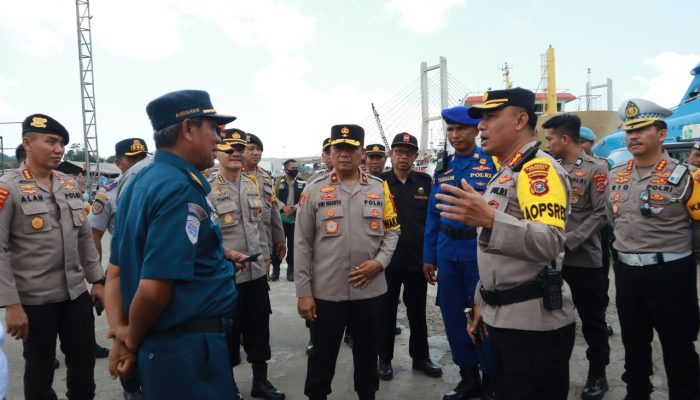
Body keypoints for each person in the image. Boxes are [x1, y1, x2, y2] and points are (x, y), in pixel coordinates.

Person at [435, 88, 575, 399]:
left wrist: (490, 220)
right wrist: (482, 299)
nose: (482, 126)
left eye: (491, 116)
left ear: (521, 120)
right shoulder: (507, 171)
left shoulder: (537, 169)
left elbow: (551, 241)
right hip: (503, 316)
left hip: (532, 326)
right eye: (481, 119)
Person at [107, 90, 239, 399]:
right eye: (214, 128)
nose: (220, 139)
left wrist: (121, 334)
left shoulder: (139, 182)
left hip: (167, 346)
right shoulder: (179, 189)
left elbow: (115, 272)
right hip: (187, 351)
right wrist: (131, 341)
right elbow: (154, 290)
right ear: (189, 129)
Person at [0, 113, 105, 400]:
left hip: (75, 296)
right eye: (51, 141)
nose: (59, 149)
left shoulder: (69, 185)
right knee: (40, 371)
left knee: (83, 365)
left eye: (61, 143)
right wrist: (11, 304)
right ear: (27, 143)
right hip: (34, 301)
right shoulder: (8, 188)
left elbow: (85, 237)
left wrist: (98, 280)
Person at [295, 124, 400, 400]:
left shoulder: (379, 188)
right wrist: (304, 293)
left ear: (361, 153)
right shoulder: (315, 189)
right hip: (327, 292)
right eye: (338, 148)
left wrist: (379, 263)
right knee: (322, 357)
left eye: (350, 148)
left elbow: (392, 231)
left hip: (371, 290)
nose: (343, 154)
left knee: (367, 355)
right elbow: (302, 243)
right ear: (330, 152)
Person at [606, 98, 700, 399]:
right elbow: (613, 219)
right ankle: (637, 393)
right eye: (629, 131)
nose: (633, 136)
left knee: (678, 345)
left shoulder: (685, 176)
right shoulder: (615, 175)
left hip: (671, 273)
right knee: (633, 343)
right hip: (626, 271)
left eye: (642, 129)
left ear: (660, 134)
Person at [423, 106, 497, 400]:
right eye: (450, 130)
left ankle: (491, 377)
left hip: (479, 250)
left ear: (475, 130)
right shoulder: (442, 168)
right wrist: (429, 256)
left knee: (487, 315)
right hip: (446, 251)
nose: (454, 135)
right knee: (454, 315)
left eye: (461, 129)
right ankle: (468, 377)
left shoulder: (491, 163)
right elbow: (433, 215)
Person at [543, 114, 611, 400]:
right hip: (553, 261)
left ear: (565, 139)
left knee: (593, 321)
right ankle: (554, 374)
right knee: (554, 320)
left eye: (550, 139)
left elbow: (601, 213)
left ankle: (598, 374)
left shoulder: (596, 168)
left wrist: (569, 241)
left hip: (583, 260)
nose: (547, 143)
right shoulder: (548, 168)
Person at [88, 138, 150, 400]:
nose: (137, 164)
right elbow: (94, 238)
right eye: (131, 159)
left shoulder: (153, 185)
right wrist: (98, 280)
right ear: (118, 162)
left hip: (153, 267)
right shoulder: (108, 194)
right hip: (125, 273)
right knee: (125, 334)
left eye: (141, 158)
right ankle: (131, 390)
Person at [377, 132, 441, 381]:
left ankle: (421, 357)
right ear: (391, 154)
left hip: (417, 261)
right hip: (387, 261)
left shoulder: (425, 181)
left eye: (409, 152)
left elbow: (432, 221)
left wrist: (431, 257)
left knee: (418, 312)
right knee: (386, 313)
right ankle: (384, 359)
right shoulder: (378, 182)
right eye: (399, 151)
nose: (404, 156)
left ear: (416, 156)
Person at [242, 132, 286, 282]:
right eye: (251, 148)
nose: (256, 153)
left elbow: (273, 210)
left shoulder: (266, 177)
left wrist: (280, 239)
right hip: (241, 247)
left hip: (264, 244)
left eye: (259, 149)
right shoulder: (233, 174)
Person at [274, 159, 305, 281]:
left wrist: (294, 208)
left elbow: (305, 198)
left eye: (296, 168)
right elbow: (272, 196)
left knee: (293, 246)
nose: (295, 170)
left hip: (295, 220)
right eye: (292, 168)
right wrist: (283, 207)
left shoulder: (303, 183)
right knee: (277, 245)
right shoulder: (277, 182)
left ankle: (291, 270)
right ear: (285, 169)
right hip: (280, 219)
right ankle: (275, 270)